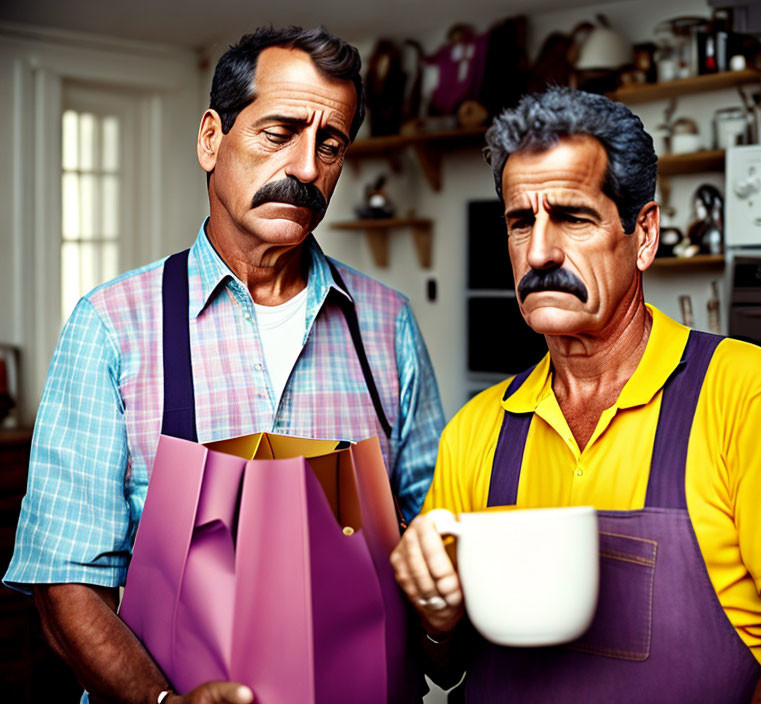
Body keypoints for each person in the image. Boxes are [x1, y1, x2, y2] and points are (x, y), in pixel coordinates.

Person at [390, 87, 761, 703]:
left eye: (572, 217)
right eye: (521, 222)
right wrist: (434, 618)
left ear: (643, 235)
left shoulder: (748, 394)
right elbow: (446, 666)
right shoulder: (477, 430)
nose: (539, 252)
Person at [5, 25, 444, 704]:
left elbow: (429, 548)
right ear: (212, 139)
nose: (306, 168)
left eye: (330, 144)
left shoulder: (385, 326)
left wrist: (445, 605)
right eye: (280, 132)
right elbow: (65, 582)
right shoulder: (114, 327)